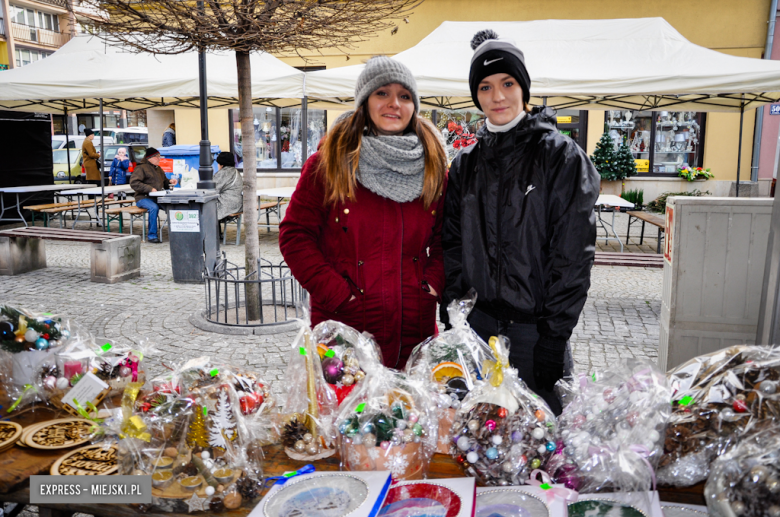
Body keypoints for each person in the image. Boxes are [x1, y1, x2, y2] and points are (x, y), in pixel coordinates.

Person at [441, 30, 600, 414]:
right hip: (478, 328)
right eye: (485, 86)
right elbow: (453, 244)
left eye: (508, 83)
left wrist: (553, 338)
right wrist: (453, 318)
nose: (497, 96)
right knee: (477, 436)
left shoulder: (560, 158)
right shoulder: (467, 164)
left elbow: (573, 257)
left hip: (534, 333)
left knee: (538, 442)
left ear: (524, 89)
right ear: (476, 95)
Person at [279, 56, 448, 369]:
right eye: (382, 93)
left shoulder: (433, 168)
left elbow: (445, 240)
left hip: (413, 326)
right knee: (348, 415)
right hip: (346, 327)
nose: (394, 104)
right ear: (364, 102)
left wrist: (429, 286)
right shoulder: (327, 164)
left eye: (405, 96)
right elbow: (295, 236)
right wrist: (340, 295)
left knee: (409, 412)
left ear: (414, 106)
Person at [130, 147, 177, 243]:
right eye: (157, 157)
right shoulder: (141, 168)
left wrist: (170, 182)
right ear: (150, 157)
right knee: (153, 208)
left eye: (159, 156)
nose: (159, 159)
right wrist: (149, 188)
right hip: (143, 198)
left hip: (157, 197)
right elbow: (134, 183)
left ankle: (176, 231)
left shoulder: (158, 169)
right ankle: (152, 236)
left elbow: (165, 182)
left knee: (171, 206)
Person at [214, 152, 244, 233]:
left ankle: (214, 234)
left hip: (227, 205)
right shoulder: (235, 171)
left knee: (208, 207)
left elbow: (213, 189)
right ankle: (218, 233)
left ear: (221, 164)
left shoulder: (223, 173)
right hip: (238, 204)